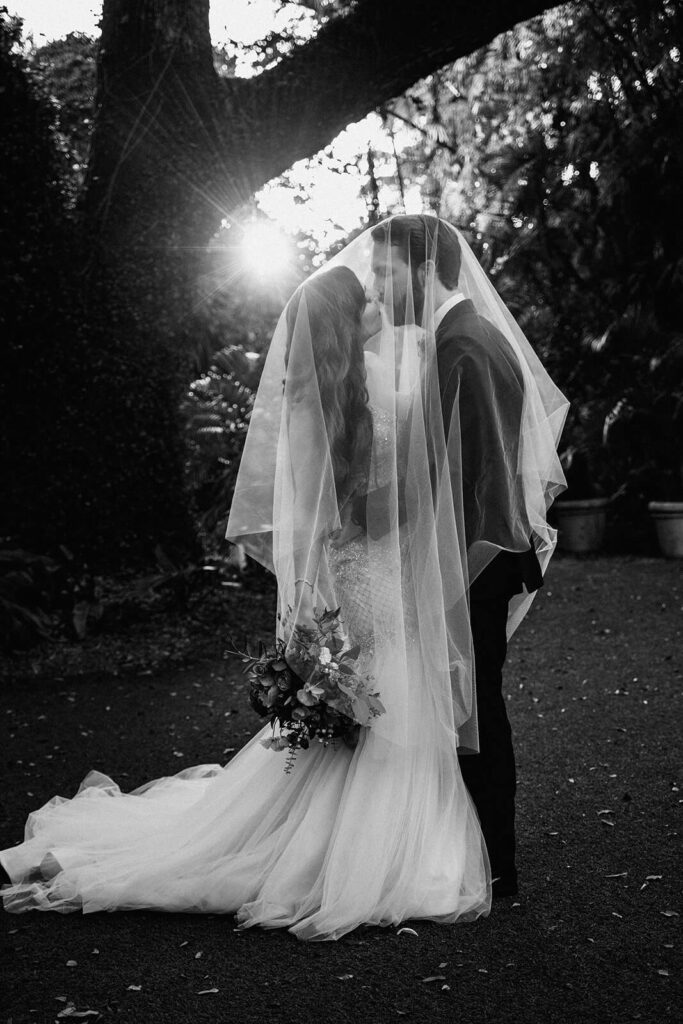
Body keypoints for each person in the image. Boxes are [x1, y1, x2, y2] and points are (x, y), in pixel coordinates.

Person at [0, 246, 495, 940]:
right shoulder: (348, 390)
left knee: (379, 691)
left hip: (370, 566)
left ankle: (358, 833)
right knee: (387, 689)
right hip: (367, 565)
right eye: (368, 295)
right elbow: (354, 509)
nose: (380, 297)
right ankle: (369, 851)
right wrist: (416, 515)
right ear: (350, 323)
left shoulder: (366, 378)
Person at [369, 215, 568, 896]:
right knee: (466, 702)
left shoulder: (460, 347)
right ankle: (480, 853)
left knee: (472, 704)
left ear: (423, 272)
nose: (376, 285)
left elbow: (470, 480)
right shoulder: (465, 336)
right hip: (479, 553)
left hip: (473, 558)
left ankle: (492, 861)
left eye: (385, 270)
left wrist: (425, 572)